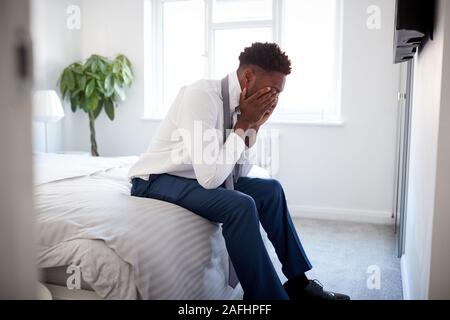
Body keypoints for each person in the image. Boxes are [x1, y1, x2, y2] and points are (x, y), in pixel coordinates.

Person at [129, 42, 350, 300]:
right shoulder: (202, 96)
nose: (275, 98)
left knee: (270, 190)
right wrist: (244, 122)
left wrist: (254, 124)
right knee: (241, 205)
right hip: (159, 179)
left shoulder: (242, 106)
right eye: (273, 90)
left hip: (196, 175)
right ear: (248, 76)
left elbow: (238, 171)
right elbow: (211, 179)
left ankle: (299, 284)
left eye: (279, 93)